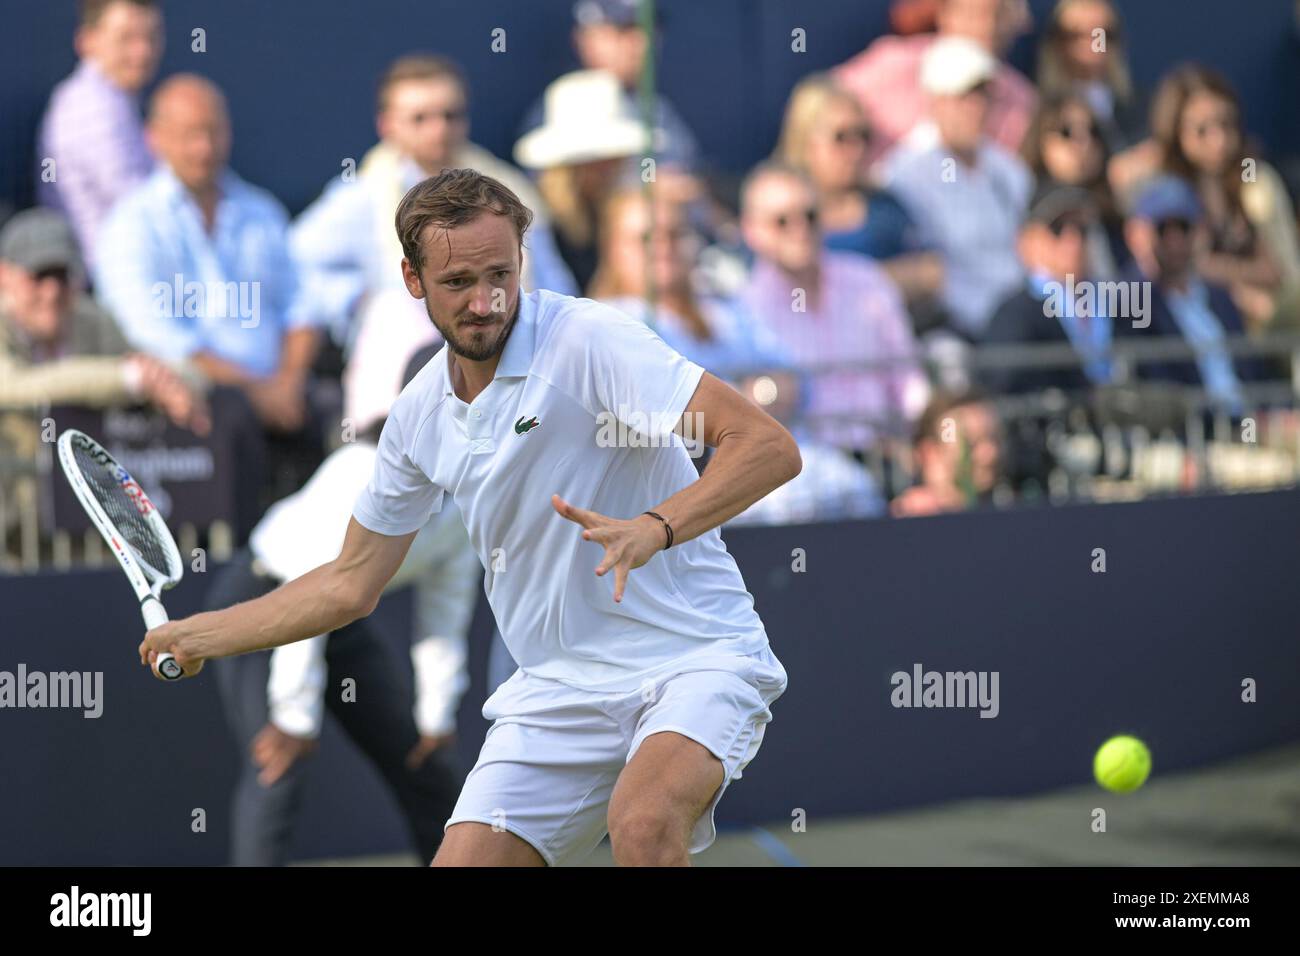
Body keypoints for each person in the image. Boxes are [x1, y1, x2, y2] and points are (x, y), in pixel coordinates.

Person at [140, 169, 800, 868]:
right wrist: (202, 634)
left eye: (501, 275)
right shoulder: (417, 418)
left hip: (694, 656)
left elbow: (765, 445)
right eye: (458, 282)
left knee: (641, 824)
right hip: (557, 689)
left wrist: (655, 525)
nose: (486, 302)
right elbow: (347, 584)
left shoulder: (590, 342)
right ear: (413, 278)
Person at [208, 347, 477, 866]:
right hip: (266, 605)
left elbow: (445, 612)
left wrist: (436, 713)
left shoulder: (467, 499)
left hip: (339, 622)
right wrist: (292, 717)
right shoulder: (360, 472)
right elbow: (310, 593)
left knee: (422, 757)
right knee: (277, 764)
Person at [590, 187, 885, 523]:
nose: (663, 248)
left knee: (853, 489)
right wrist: (748, 399)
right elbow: (674, 417)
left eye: (674, 234)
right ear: (613, 248)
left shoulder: (726, 309)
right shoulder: (608, 321)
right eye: (645, 238)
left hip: (788, 463)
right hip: (692, 491)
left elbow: (792, 380)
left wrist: (747, 400)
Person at [292, 54, 575, 348]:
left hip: (506, 347)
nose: (439, 130)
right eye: (420, 118)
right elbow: (295, 263)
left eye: (450, 115)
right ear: (387, 126)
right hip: (403, 354)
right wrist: (355, 301)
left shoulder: (508, 192)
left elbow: (552, 282)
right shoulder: (364, 196)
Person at [739, 164, 930, 454]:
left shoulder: (867, 280)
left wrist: (917, 439)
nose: (800, 229)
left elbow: (907, 377)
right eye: (782, 221)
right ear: (751, 230)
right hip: (802, 473)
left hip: (885, 457)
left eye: (810, 216)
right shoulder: (745, 311)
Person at [1120, 67, 1299, 333]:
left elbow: (1275, 269)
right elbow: (1172, 268)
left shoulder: (1253, 181)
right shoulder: (1162, 192)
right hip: (1195, 332)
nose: (1219, 140)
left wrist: (1217, 273)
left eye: (1226, 124)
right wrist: (1237, 292)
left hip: (1271, 327)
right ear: (1175, 129)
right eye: (1202, 129)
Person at [881, 35, 1032, 339]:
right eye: (963, 97)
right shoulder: (901, 175)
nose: (975, 108)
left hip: (1019, 320)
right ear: (934, 101)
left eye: (983, 95)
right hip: (951, 330)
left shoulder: (1009, 169)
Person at [0, 208, 201, 428]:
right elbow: (11, 389)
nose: (52, 292)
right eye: (38, 276)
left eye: (62, 276)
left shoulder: (92, 320)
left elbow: (179, 373)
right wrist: (128, 380)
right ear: (4, 276)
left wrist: (169, 387)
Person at [773, 74, 943, 312]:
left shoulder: (886, 206)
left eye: (863, 136)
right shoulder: (776, 208)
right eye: (841, 137)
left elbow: (930, 274)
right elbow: (780, 290)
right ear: (804, 139)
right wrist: (884, 281)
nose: (856, 150)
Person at [834, 0, 1036, 171]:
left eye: (999, 16)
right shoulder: (893, 64)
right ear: (945, 15)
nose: (987, 27)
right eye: (975, 14)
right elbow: (822, 103)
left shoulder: (1023, 101)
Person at [1117, 176, 1261, 414]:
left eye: (1183, 227)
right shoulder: (1135, 302)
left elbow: (1253, 370)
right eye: (1163, 229)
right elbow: (1156, 384)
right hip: (1195, 434)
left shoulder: (1218, 297)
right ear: (1142, 233)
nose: (1174, 240)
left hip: (1248, 424)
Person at [37, 0, 162, 265]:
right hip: (99, 288)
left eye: (151, 37)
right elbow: (141, 208)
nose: (143, 51)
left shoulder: (119, 101)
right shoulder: (91, 105)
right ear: (87, 41)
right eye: (126, 38)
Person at [518, 0, 701, 175]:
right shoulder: (563, 109)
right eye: (623, 30)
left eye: (648, 28)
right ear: (585, 39)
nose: (641, 43)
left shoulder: (659, 108)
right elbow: (563, 198)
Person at [515, 70, 645, 293]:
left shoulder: (615, 213)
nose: (612, 168)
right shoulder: (539, 227)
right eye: (601, 160)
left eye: (617, 158)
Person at [983, 184, 1115, 395]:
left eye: (1082, 229)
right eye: (1058, 229)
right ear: (1027, 241)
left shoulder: (1116, 303)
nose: (1074, 241)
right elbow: (1008, 389)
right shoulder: (1014, 315)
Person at [1020, 91, 1125, 279]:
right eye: (1067, 132)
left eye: (1092, 131)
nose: (1083, 143)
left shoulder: (1113, 218)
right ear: (1042, 140)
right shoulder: (1025, 205)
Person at [1035, 0, 1145, 153]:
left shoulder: (1140, 107)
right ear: (1057, 42)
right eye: (1076, 35)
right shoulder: (1035, 108)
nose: (1092, 44)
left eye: (1101, 34)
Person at [891, 390, 1003, 516]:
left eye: (994, 438)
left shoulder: (1010, 507)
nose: (990, 454)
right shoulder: (902, 520)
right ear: (928, 453)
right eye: (969, 444)